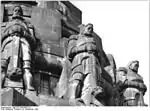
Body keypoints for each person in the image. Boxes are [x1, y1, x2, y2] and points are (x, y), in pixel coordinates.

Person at [67, 23, 109, 106]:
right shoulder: (75, 38)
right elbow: (70, 52)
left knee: (90, 82)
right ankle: (72, 98)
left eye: (92, 29)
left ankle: (88, 100)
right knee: (77, 78)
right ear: (83, 29)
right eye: (88, 28)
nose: (90, 30)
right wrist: (85, 47)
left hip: (92, 63)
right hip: (79, 61)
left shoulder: (94, 41)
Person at [1, 5, 36, 91]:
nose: (17, 12)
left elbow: (33, 41)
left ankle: (29, 87)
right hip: (8, 44)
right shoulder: (5, 25)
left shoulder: (28, 26)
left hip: (23, 43)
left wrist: (23, 33)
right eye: (15, 10)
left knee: (26, 67)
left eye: (19, 11)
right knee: (2, 68)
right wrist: (10, 31)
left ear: (21, 13)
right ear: (12, 13)